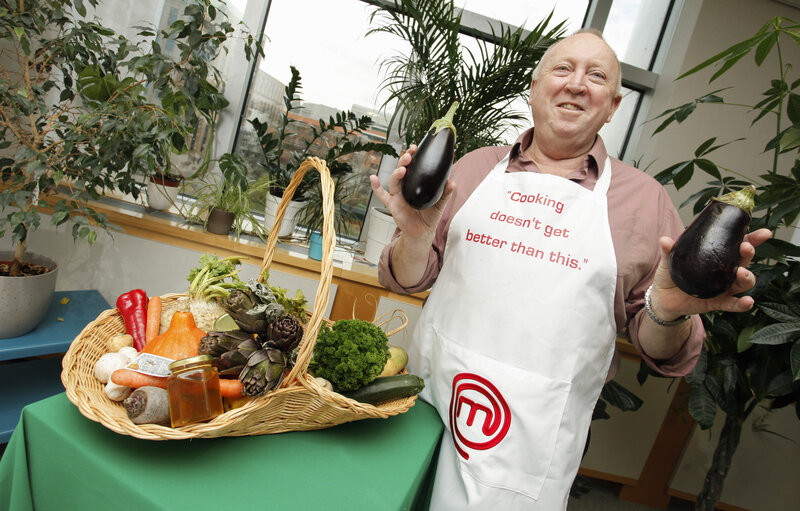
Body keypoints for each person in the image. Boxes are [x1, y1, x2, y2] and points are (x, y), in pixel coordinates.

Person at [369, 29, 771, 510]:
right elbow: (409, 278)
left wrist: (666, 310)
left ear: (614, 105)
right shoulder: (472, 168)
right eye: (562, 69)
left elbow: (661, 348)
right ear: (535, 89)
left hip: (535, 441)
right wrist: (414, 237)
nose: (577, 84)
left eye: (596, 76)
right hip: (428, 406)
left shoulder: (646, 203)